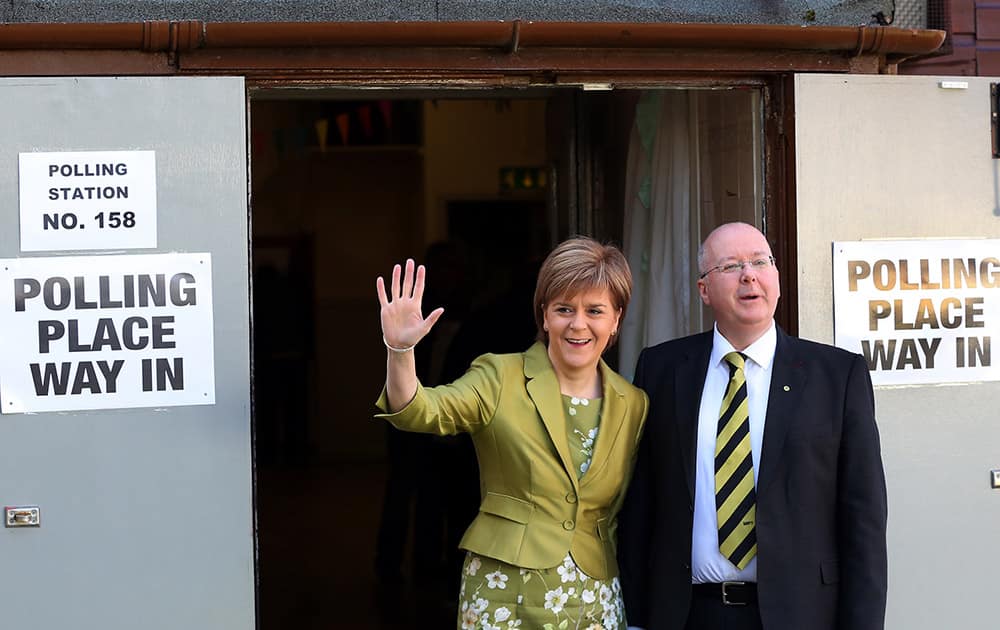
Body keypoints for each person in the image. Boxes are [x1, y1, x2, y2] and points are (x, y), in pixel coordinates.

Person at [618, 222, 887, 630]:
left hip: (800, 614)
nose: (749, 275)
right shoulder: (661, 369)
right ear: (703, 289)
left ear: (776, 278)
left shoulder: (837, 375)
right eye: (731, 266)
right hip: (688, 613)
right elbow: (642, 505)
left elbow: (863, 518)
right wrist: (635, 617)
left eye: (761, 261)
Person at [375, 236, 649, 629]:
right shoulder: (499, 376)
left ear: (617, 319)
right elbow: (419, 411)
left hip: (594, 598)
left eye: (595, 310)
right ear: (544, 315)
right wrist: (399, 352)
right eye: (564, 309)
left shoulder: (633, 403)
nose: (578, 324)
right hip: (503, 594)